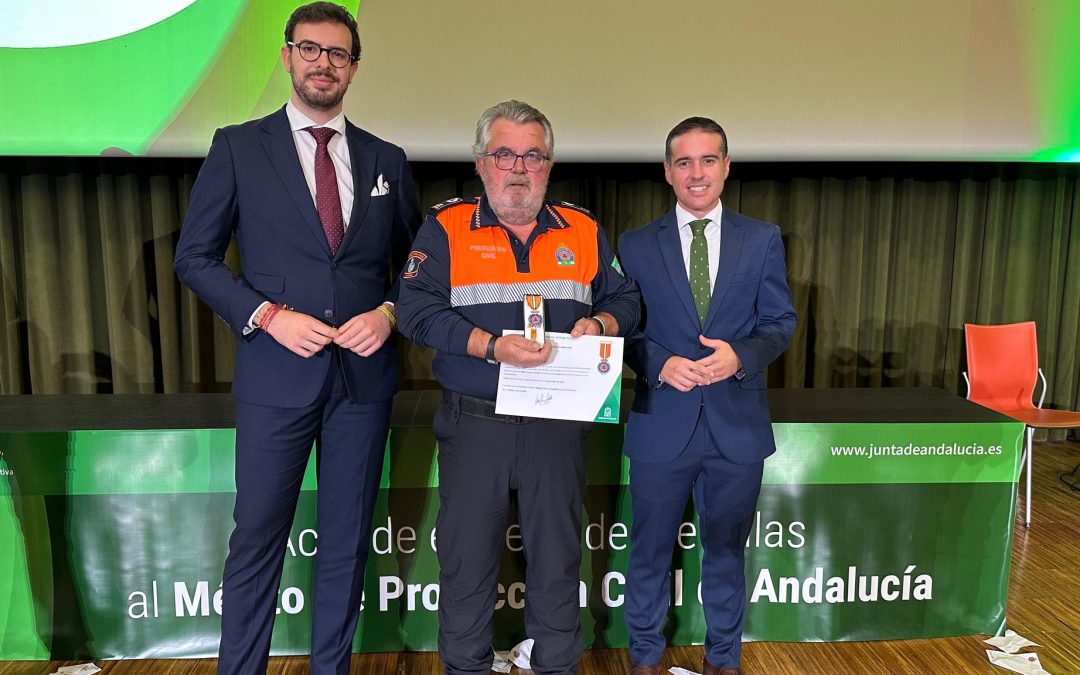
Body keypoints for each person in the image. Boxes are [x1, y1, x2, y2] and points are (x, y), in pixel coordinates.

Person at [172, 3, 420, 673]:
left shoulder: (387, 159)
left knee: (345, 543)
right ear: (286, 56)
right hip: (275, 378)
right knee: (256, 540)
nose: (323, 63)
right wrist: (267, 314)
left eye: (337, 53)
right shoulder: (237, 146)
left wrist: (390, 313)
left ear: (354, 67)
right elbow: (193, 257)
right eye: (310, 49)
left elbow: (421, 270)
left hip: (362, 386)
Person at [396, 100, 640, 675]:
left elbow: (626, 300)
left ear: (549, 165)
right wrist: (490, 345)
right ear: (481, 163)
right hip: (475, 422)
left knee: (558, 562)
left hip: (558, 425)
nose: (518, 168)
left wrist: (601, 323)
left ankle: (557, 665)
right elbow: (414, 312)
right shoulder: (446, 227)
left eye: (533, 155)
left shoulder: (583, 230)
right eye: (504, 154)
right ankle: (465, 668)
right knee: (466, 563)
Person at [617, 117, 796, 675]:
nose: (697, 173)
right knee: (646, 556)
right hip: (660, 424)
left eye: (708, 160)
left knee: (725, 555)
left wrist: (740, 356)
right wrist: (659, 364)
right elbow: (622, 330)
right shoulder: (634, 245)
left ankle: (724, 662)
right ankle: (644, 659)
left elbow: (780, 322)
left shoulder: (762, 239)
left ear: (726, 166)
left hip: (735, 429)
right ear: (667, 172)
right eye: (684, 162)